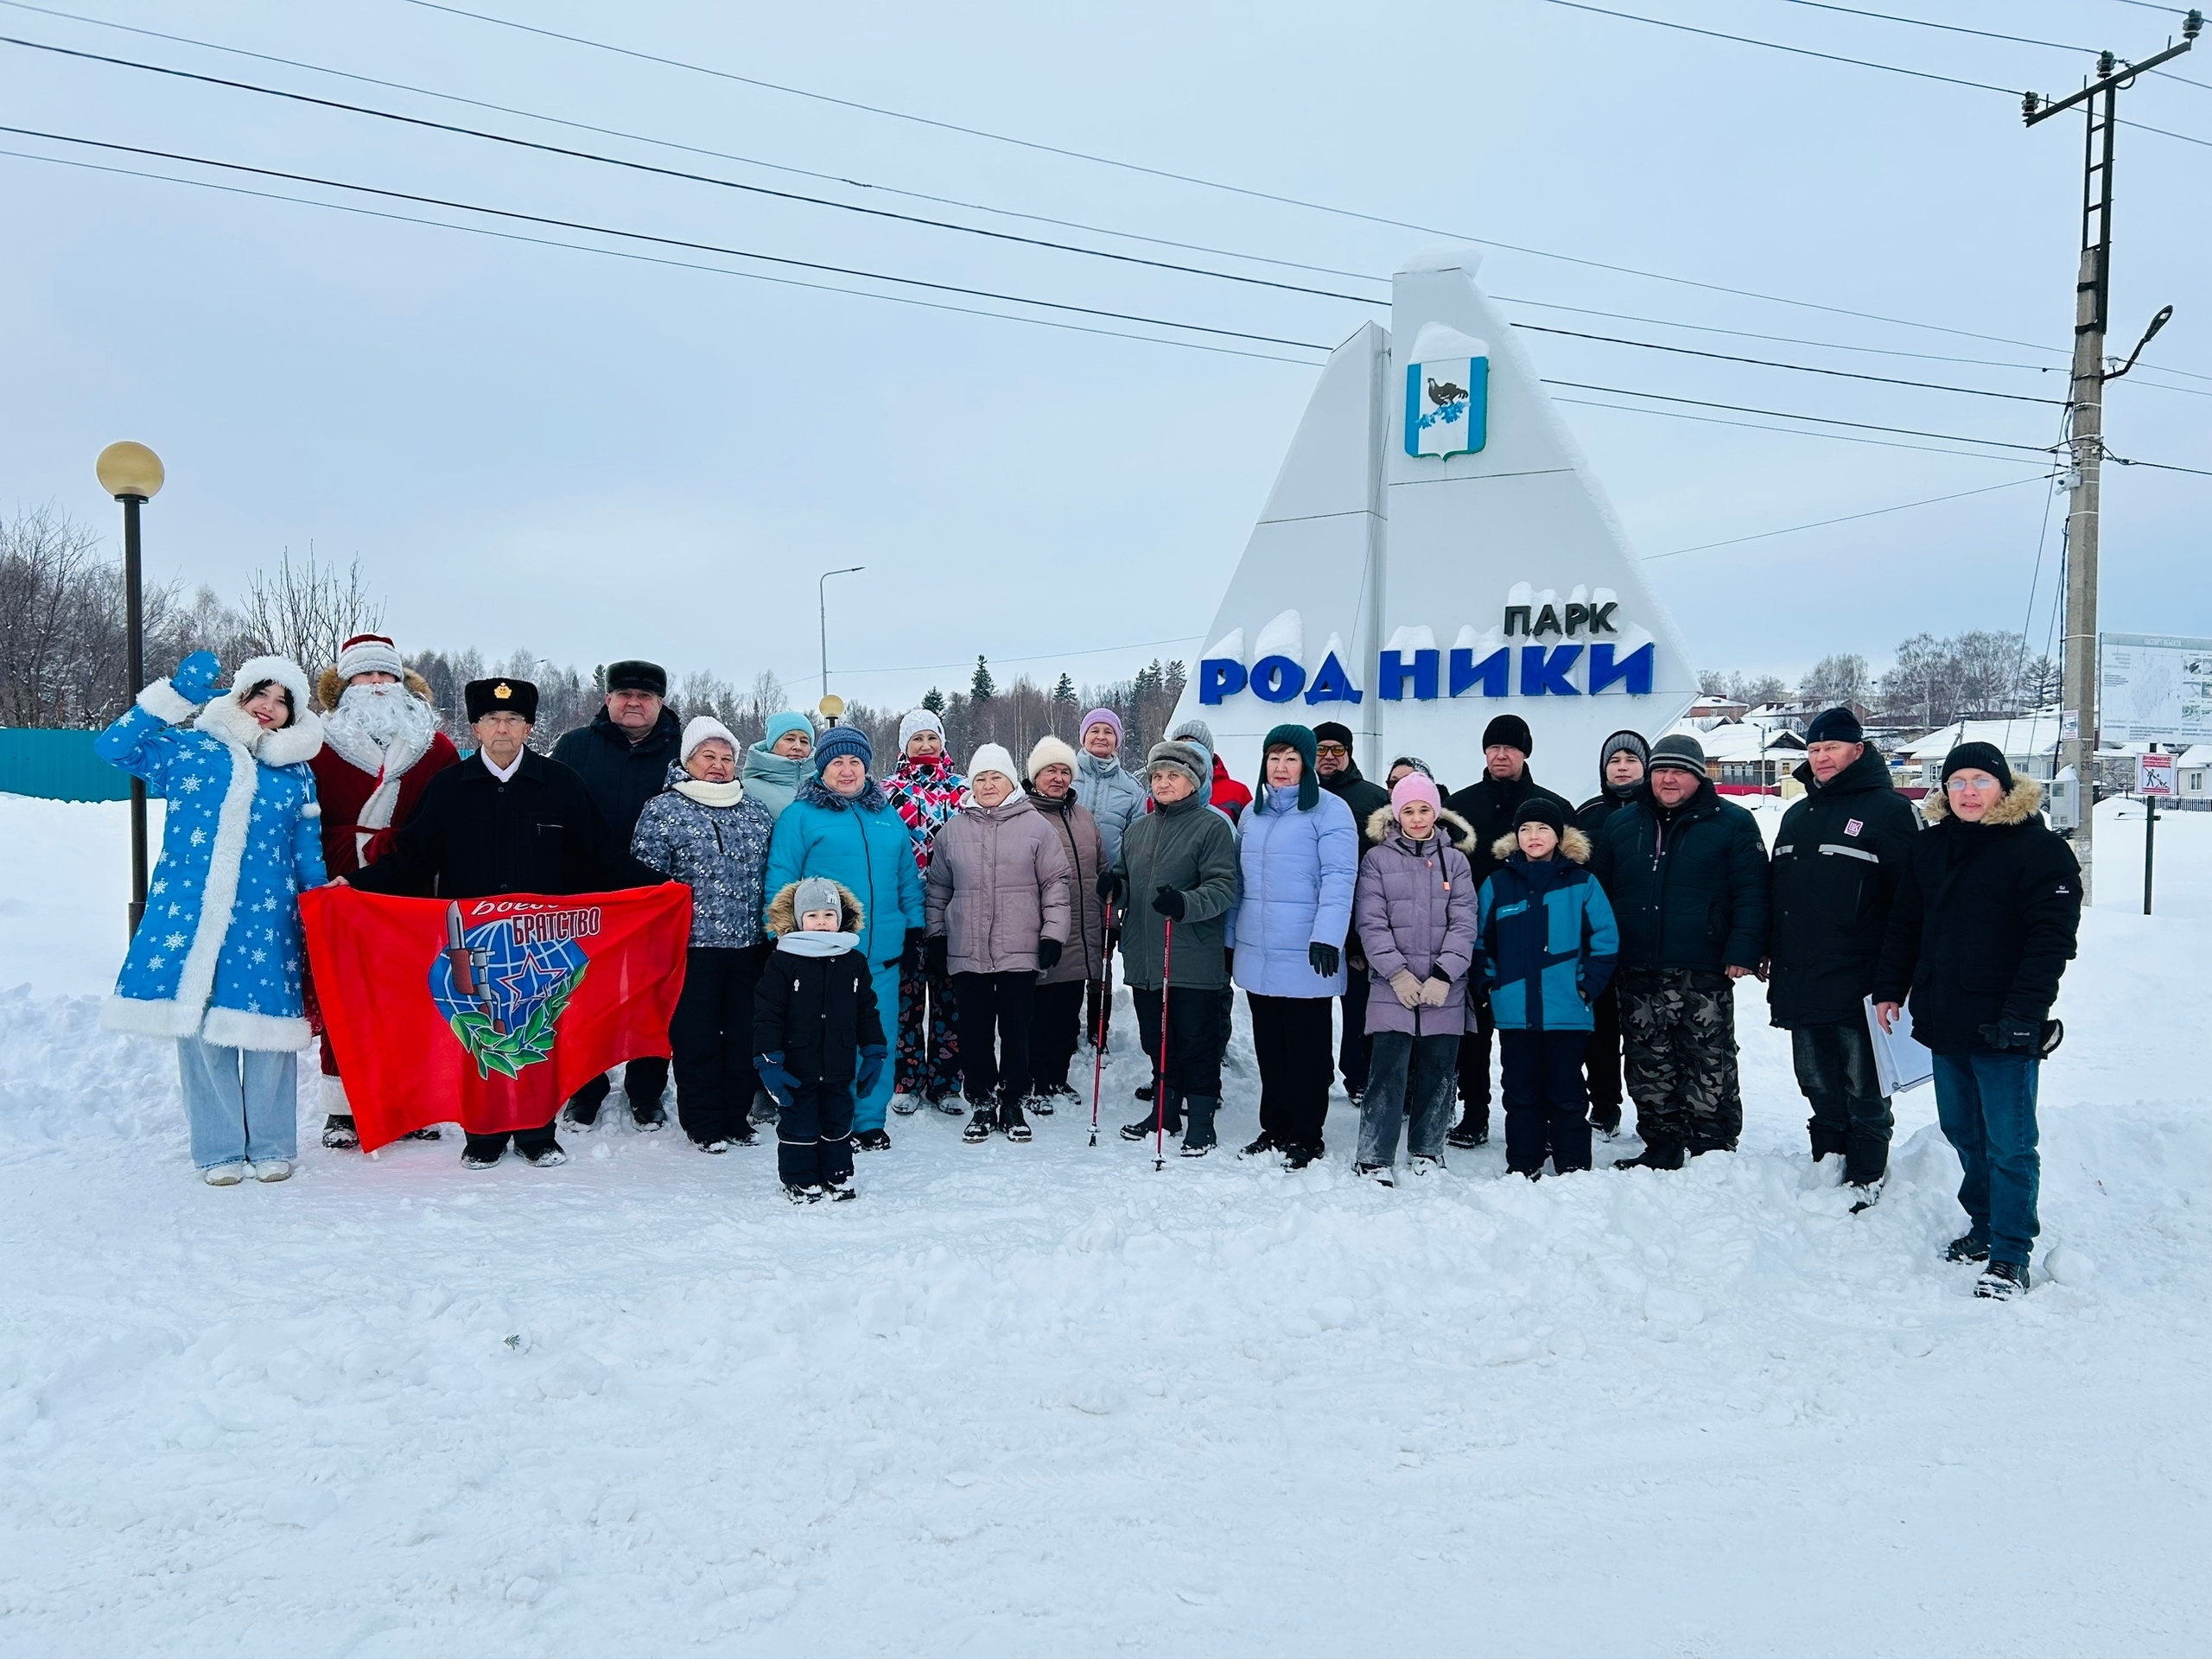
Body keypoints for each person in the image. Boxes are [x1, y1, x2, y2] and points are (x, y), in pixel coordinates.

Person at [347, 677, 620, 1168]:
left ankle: (538, 1133)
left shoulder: (562, 785)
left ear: (529, 727)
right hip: (473, 944)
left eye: (513, 719)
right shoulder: (449, 788)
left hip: (543, 944)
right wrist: (353, 884)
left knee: (540, 1034)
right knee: (479, 1037)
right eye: (492, 719)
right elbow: (412, 860)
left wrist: (659, 888)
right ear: (475, 727)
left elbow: (599, 859)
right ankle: (483, 1135)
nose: (502, 729)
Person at [98, 650, 327, 1185]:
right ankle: (218, 1149)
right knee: (200, 1027)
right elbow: (114, 747)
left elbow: (306, 850)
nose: (268, 706)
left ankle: (272, 1144)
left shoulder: (296, 774)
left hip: (266, 917)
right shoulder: (189, 750)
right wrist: (176, 696)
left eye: (282, 701)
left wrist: (320, 904)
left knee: (269, 1028)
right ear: (239, 696)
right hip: (191, 912)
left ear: (292, 716)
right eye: (260, 693)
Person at [1874, 743, 2080, 1300]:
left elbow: (2050, 942)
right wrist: (1890, 988)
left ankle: (2011, 1253)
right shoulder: (1930, 846)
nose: (1968, 792)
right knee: (1963, 1131)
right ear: (1944, 790)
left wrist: (2024, 1015)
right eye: (1957, 781)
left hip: (2006, 1024)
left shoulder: (2040, 851)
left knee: (2009, 1144)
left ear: (2004, 788)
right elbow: (1906, 924)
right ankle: (1985, 1225)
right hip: (1945, 1018)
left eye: (1980, 781)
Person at [307, 632, 460, 1151]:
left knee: (411, 994)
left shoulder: (435, 747)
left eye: (385, 674)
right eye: (365, 675)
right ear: (344, 685)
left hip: (411, 887)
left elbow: (448, 822)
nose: (376, 684)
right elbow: (301, 817)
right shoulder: (317, 742)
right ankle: (342, 1110)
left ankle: (411, 1103)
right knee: (344, 993)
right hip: (340, 883)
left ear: (402, 682)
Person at [1589, 734, 1769, 1171]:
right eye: (1661, 771)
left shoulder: (1733, 822)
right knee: (1647, 1058)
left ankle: (1713, 1143)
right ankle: (1661, 1141)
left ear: (1698, 776)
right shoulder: (1622, 824)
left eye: (1679, 771)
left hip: (1702, 964)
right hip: (1636, 963)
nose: (1668, 779)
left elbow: (1753, 891)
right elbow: (1599, 895)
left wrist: (1744, 948)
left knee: (1707, 1057)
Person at [1767, 707, 1918, 1207]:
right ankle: (1827, 1163)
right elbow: (1776, 893)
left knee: (1864, 1084)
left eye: (1831, 747)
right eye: (1814, 749)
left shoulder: (1889, 811)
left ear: (1858, 750)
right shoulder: (1797, 814)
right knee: (1814, 1079)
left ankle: (1866, 1174)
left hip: (1860, 978)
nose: (1821, 757)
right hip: (1801, 973)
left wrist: (1897, 976)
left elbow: (1909, 902)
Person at [762, 724, 925, 1151]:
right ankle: (834, 1119)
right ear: (822, 768)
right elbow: (781, 879)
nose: (847, 770)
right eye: (837, 762)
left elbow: (907, 879)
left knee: (877, 1037)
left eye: (855, 761)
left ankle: (869, 1119)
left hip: (882, 955)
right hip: (822, 955)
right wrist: (780, 936)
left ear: (867, 767)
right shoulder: (800, 816)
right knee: (830, 1042)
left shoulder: (886, 815)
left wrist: (914, 928)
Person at [630, 715, 778, 1153]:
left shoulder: (754, 810)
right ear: (687, 760)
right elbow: (645, 883)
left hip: (749, 946)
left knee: (744, 1035)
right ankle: (703, 1122)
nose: (718, 765)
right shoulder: (663, 810)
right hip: (691, 949)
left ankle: (736, 1117)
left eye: (726, 758)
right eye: (707, 756)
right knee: (696, 1038)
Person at [551, 660, 683, 1132]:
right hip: (587, 898)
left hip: (654, 898)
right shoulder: (575, 747)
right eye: (624, 694)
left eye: (644, 696)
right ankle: (585, 1088)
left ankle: (646, 1089)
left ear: (660, 702)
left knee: (651, 996)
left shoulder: (681, 752)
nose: (634, 703)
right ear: (607, 699)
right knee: (584, 996)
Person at [925, 743, 1073, 1142]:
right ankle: (981, 1100)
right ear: (971, 785)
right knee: (973, 1033)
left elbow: (1055, 886)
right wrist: (937, 934)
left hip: (1018, 949)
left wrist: (1053, 934)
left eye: (996, 777)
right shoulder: (953, 830)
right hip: (967, 949)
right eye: (981, 779)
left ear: (1011, 782)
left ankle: (1012, 1101)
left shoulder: (1037, 827)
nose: (988, 785)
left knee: (1016, 1030)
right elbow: (938, 889)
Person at [1230, 724, 1358, 1168]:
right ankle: (1274, 1127)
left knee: (1306, 1050)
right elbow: (1239, 883)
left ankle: (1306, 1134)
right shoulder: (1252, 814)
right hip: (1259, 950)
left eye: (1291, 759)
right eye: (1274, 758)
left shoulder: (1330, 811)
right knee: (1270, 1048)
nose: (1281, 768)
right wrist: (1230, 940)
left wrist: (1328, 936)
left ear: (1306, 764)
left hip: (1307, 951)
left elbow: (1339, 879)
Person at [1442, 715, 1574, 1149]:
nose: (1501, 755)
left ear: (1525, 753)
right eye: (1494, 748)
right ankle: (1474, 1114)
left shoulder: (1552, 807)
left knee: (1537, 1034)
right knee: (1473, 1034)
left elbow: (1573, 878)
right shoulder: (1459, 808)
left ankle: (1544, 1120)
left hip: (1538, 942)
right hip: (1475, 937)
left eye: (1510, 748)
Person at [1103, 738, 1238, 1156]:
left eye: (1173, 775)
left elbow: (1224, 887)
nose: (1163, 783)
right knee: (1157, 1040)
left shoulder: (1211, 826)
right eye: (1157, 776)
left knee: (1195, 1041)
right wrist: (1114, 888)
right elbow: (1126, 881)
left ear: (1193, 782)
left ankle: (1201, 1123)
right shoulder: (1138, 830)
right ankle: (1164, 1112)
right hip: (1146, 957)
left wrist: (1185, 903)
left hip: (1192, 958)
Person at [1480, 799, 1619, 1179]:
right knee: (1520, 1091)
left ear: (1558, 836)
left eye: (1542, 829)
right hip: (1515, 1010)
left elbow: (1605, 940)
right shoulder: (1497, 884)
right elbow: (1480, 942)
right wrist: (1491, 984)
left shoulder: (1582, 882)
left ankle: (1572, 1164)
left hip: (1567, 1009)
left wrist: (1587, 986)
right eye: (1525, 829)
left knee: (1567, 1091)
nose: (1534, 836)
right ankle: (1523, 1162)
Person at [1351, 771, 1478, 1184]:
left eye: (1425, 809)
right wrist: (1396, 973)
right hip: (1393, 986)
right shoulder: (1377, 860)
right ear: (1397, 814)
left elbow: (1465, 922)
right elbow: (1371, 923)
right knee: (1387, 1071)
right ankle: (1374, 1154)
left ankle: (1427, 1149)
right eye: (1409, 810)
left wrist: (1445, 974)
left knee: (1439, 1072)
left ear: (1436, 813)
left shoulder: (1455, 861)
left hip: (1445, 987)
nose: (1418, 818)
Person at [754, 877, 885, 1202]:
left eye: (829, 915)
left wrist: (874, 1050)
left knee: (838, 1120)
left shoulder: (853, 960)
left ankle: (837, 1174)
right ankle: (799, 1178)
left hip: (839, 1061)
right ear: (799, 919)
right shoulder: (783, 961)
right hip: (797, 1064)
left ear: (840, 917)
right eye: (812, 916)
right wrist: (768, 1058)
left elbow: (866, 1010)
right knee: (800, 1123)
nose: (822, 922)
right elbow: (768, 1013)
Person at [883, 709, 969, 1116]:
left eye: (932, 738)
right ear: (904, 745)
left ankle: (947, 1082)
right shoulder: (887, 791)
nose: (925, 745)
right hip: (907, 910)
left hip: (955, 910)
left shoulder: (962, 789)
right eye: (917, 738)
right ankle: (907, 1079)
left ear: (942, 742)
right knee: (907, 1001)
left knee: (951, 1001)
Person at [1022, 734, 1108, 1110]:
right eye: (1050, 771)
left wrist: (1111, 886)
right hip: (1042, 934)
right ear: (1034, 776)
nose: (1058, 778)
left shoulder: (1083, 816)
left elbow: (1100, 866)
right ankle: (1035, 1082)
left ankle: (1058, 1077)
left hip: (1082, 933)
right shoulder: (1023, 816)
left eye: (1064, 771)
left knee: (1067, 1017)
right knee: (1038, 1015)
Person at [1572, 730, 1649, 1140]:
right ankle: (1604, 1105)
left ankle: (1655, 1111)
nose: (1622, 767)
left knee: (1646, 1031)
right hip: (1594, 942)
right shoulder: (1586, 814)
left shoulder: (1658, 812)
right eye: (1614, 761)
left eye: (1630, 760)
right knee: (1599, 1031)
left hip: (1644, 940)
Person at [1313, 721, 1392, 1106]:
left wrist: (1365, 931)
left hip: (1360, 920)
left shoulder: (1374, 799)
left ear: (1349, 754)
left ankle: (1359, 1075)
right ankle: (1316, 1073)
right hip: (1309, 918)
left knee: (1359, 1005)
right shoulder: (1297, 796)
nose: (1329, 757)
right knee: (1311, 1005)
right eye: (1321, 749)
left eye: (1337, 750)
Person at [1072, 707, 1145, 1054]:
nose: (1101, 737)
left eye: (1108, 731)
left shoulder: (1131, 788)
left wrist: (1121, 886)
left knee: (1101, 959)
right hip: (1063, 885)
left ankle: (1098, 1028)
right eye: (1094, 730)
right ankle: (1064, 1025)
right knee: (1067, 958)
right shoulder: (1064, 774)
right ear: (1083, 736)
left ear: (1117, 740)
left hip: (1107, 890)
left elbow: (1137, 843)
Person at [1166, 715, 1253, 823]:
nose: (1186, 749)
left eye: (1193, 743)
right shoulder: (1163, 789)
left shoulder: (1237, 793)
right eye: (1179, 744)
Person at [741, 713, 815, 821]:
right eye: (790, 739)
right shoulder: (747, 790)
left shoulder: (827, 784)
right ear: (772, 744)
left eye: (804, 741)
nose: (798, 747)